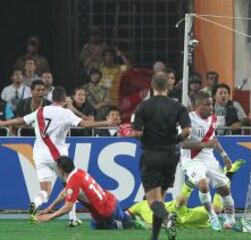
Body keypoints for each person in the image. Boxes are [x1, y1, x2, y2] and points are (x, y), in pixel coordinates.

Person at [0, 87, 120, 225]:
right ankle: (72, 219)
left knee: (45, 190)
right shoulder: (66, 113)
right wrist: (106, 123)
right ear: (64, 99)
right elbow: (86, 124)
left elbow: (21, 120)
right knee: (71, 185)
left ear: (52, 98)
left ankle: (34, 204)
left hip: (39, 155)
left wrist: (3, 123)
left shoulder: (40, 111)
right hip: (58, 156)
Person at [132, 71, 191, 240]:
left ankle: (168, 218)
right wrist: (176, 140)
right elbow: (187, 131)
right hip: (171, 155)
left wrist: (140, 135)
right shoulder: (178, 106)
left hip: (151, 154)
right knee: (161, 199)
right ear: (168, 85)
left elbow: (136, 132)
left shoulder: (143, 106)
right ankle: (154, 237)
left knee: (152, 201)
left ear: (152, 85)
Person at [35, 156, 144, 230]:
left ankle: (124, 224)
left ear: (62, 170)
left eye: (57, 168)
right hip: (112, 201)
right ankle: (130, 221)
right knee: (123, 217)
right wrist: (49, 208)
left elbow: (68, 207)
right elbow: (65, 193)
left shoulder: (73, 181)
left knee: (94, 225)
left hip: (105, 213)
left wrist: (50, 217)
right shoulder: (78, 172)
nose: (56, 170)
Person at [180, 91, 237, 231]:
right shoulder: (187, 119)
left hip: (208, 158)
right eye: (207, 104)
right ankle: (212, 215)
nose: (211, 107)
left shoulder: (213, 120)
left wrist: (224, 156)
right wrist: (204, 145)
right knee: (203, 185)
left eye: (211, 104)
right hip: (191, 159)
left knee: (224, 188)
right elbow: (182, 144)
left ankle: (230, 220)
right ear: (198, 106)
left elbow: (213, 141)